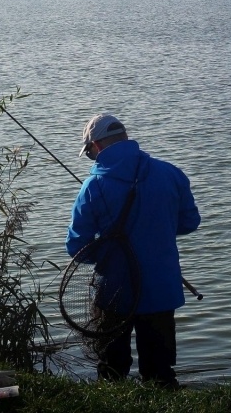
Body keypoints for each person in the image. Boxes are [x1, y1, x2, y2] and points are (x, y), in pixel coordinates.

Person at [66, 113, 200, 388]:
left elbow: (77, 247)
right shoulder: (170, 173)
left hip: (114, 291)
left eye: (89, 153)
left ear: (97, 146)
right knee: (160, 370)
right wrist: (155, 233)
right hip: (162, 286)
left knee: (112, 370)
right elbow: (190, 222)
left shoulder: (93, 186)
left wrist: (105, 254)